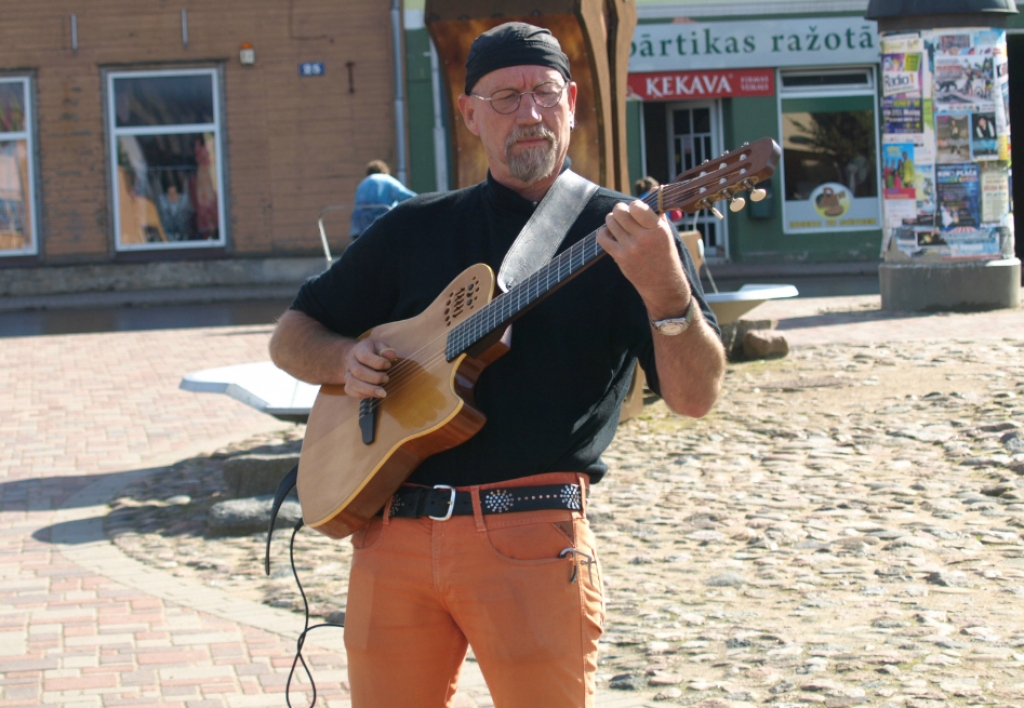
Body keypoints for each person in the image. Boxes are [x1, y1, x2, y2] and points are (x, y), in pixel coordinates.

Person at [270, 22, 725, 708]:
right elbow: (290, 334)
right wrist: (344, 358)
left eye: (544, 93)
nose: (531, 114)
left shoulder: (629, 234)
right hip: (390, 536)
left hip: (530, 541)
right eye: (506, 98)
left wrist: (666, 289)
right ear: (469, 113)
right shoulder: (414, 228)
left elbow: (695, 397)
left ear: (572, 101)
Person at [349, 160, 416, 238]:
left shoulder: (362, 184)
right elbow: (407, 196)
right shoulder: (388, 180)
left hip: (360, 226)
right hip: (383, 224)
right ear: (384, 170)